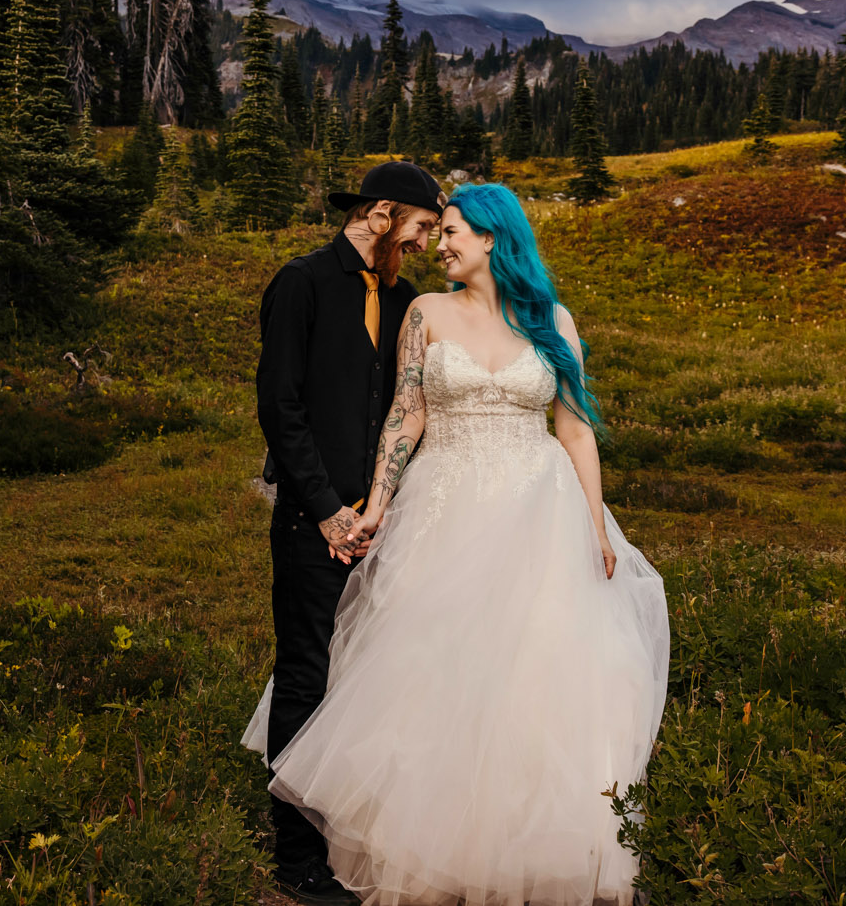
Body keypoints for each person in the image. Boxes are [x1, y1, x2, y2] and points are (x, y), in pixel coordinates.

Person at [246, 182, 670, 906]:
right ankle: (421, 845)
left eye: (452, 233)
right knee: (430, 672)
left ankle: (532, 847)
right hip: (445, 508)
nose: (438, 245)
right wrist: (378, 503)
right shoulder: (426, 312)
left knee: (536, 679)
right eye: (436, 231)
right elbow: (405, 415)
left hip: (541, 515)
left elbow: (573, 428)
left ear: (494, 240)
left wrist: (596, 528)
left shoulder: (552, 321)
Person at [255, 161, 446, 906]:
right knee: (305, 677)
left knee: (368, 676)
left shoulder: (402, 298)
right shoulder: (302, 283)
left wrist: (380, 508)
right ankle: (297, 858)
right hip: (314, 521)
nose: (426, 243)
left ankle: (351, 830)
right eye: (422, 227)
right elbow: (281, 406)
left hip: (381, 524)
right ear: (382, 214)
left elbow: (400, 407)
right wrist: (328, 510)